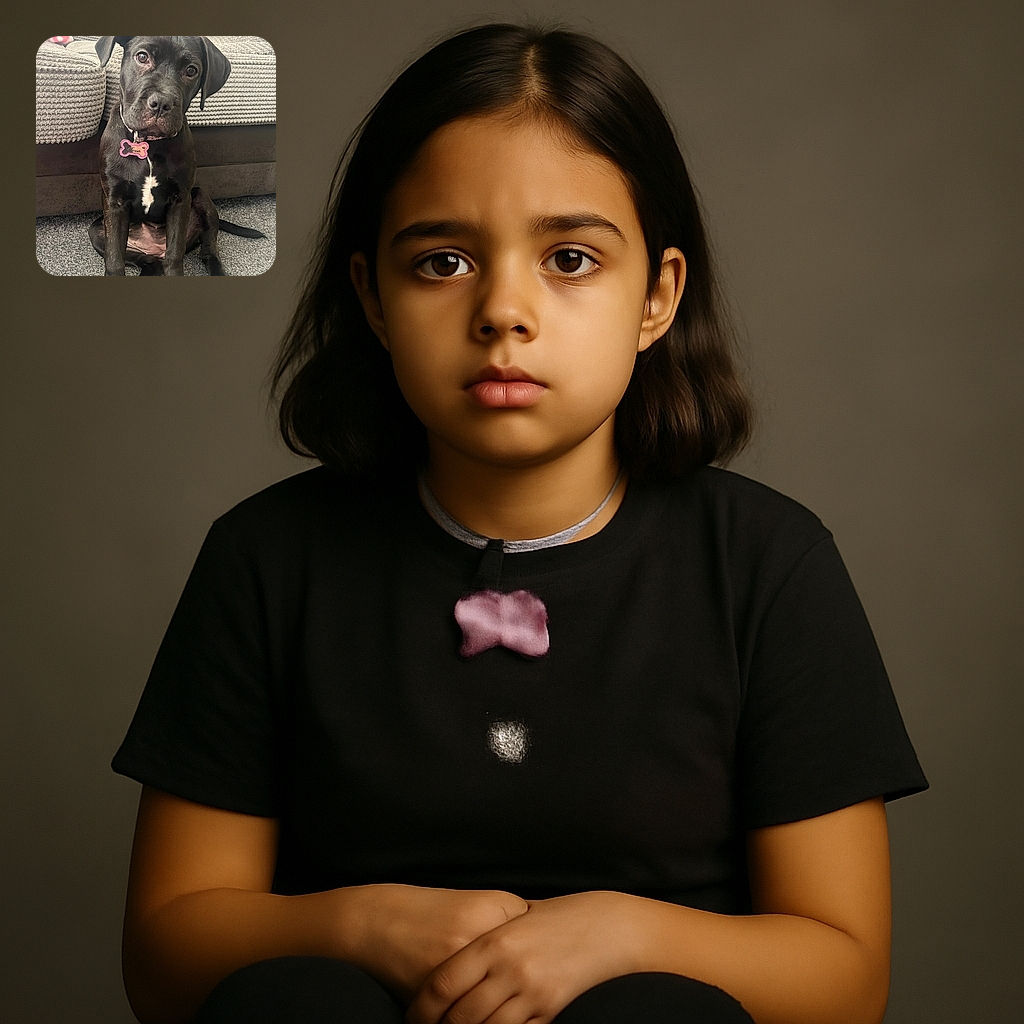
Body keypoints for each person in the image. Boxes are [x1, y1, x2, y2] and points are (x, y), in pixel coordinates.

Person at [112, 23, 927, 1024]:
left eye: (571, 258)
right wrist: (359, 927)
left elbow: (847, 980)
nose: (504, 310)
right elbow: (165, 952)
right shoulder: (268, 561)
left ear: (656, 298)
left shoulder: (768, 567)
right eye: (443, 261)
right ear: (371, 296)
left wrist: (620, 934)